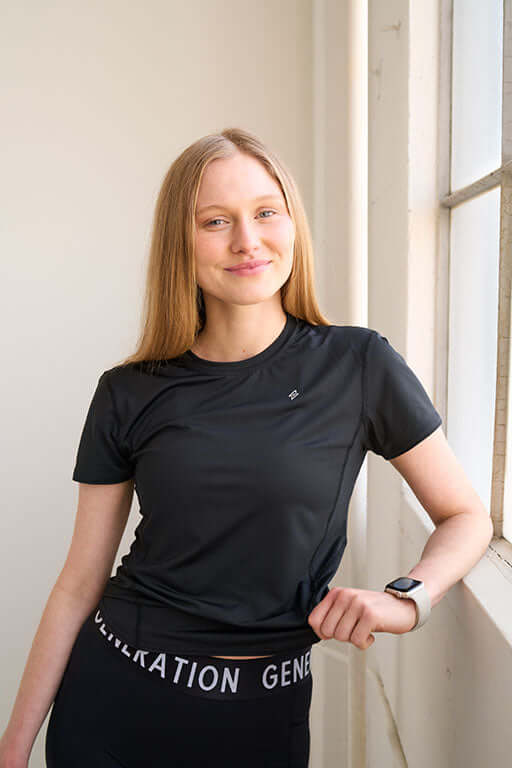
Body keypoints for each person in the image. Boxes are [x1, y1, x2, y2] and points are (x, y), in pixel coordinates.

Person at [0, 127, 491, 768]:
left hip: (264, 717)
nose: (246, 240)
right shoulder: (128, 391)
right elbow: (79, 583)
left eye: (265, 212)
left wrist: (407, 599)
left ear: (291, 223)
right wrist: (13, 749)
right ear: (182, 241)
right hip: (117, 700)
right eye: (215, 221)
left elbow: (466, 515)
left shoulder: (358, 364)